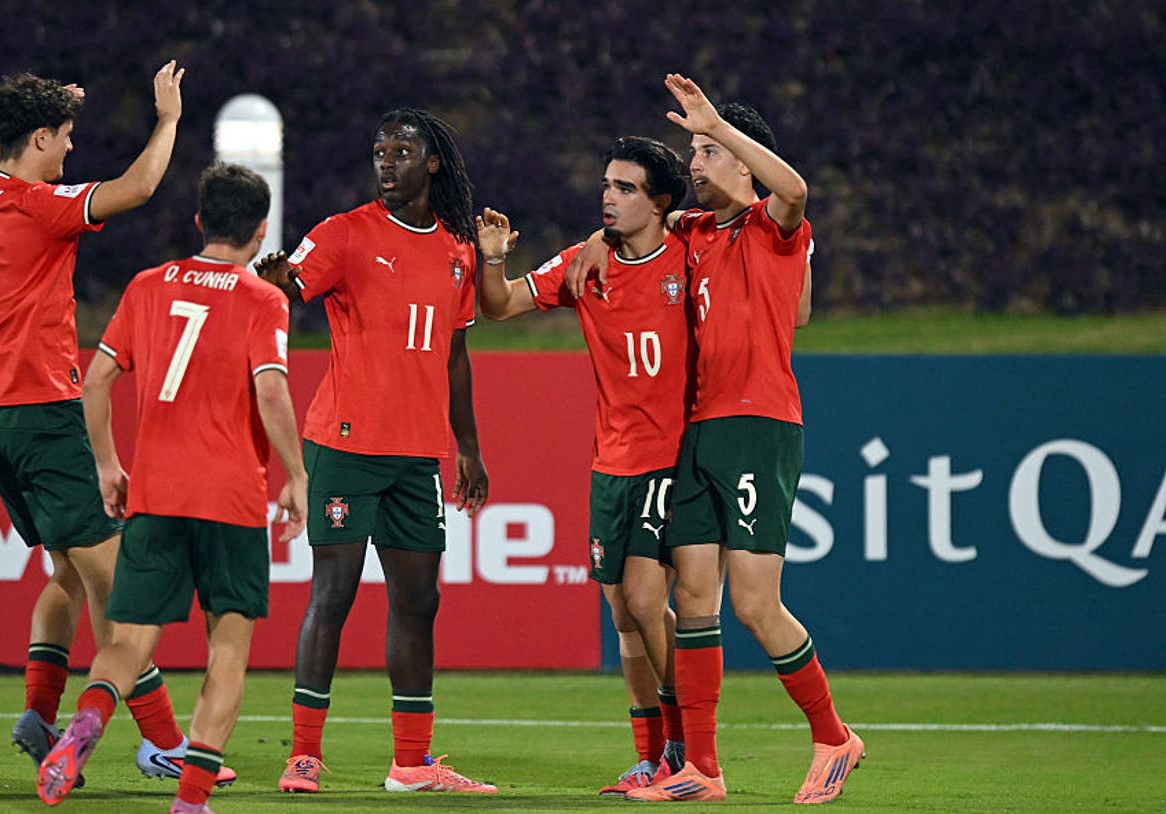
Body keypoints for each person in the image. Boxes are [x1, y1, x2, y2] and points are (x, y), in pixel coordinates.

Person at [0, 62, 223, 787]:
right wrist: (168, 119)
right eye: (64, 135)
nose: (72, 148)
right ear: (39, 139)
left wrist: (40, 111)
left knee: (67, 574)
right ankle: (161, 740)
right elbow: (137, 188)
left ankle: (39, 714)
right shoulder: (42, 207)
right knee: (120, 585)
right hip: (44, 418)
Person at [609, 74, 863, 805]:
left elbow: (797, 190)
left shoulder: (774, 225)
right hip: (695, 431)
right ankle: (703, 768)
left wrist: (719, 125)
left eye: (709, 152)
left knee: (754, 603)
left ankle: (834, 736)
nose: (695, 162)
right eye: (693, 151)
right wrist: (599, 241)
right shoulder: (692, 232)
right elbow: (632, 231)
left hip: (758, 427)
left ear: (745, 162)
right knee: (695, 600)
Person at [35, 162, 308, 813]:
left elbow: (95, 382)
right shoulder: (262, 299)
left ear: (199, 220)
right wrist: (297, 474)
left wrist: (107, 467)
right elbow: (271, 389)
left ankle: (88, 720)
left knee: (128, 641)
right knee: (228, 649)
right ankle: (190, 801)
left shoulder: (147, 286)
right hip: (230, 499)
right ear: (261, 229)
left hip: (155, 496)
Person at [254, 108, 496, 795]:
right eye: (380, 151)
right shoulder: (344, 232)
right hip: (346, 444)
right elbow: (290, 286)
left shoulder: (458, 250)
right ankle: (303, 755)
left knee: (419, 601)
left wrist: (468, 447)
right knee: (333, 592)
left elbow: (455, 354)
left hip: (417, 455)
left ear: (432, 163)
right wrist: (278, 278)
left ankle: (412, 764)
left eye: (402, 151)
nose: (387, 161)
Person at [474, 136, 693, 796]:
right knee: (624, 614)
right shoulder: (584, 263)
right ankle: (649, 756)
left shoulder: (691, 252)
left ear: (660, 203)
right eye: (606, 185)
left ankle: (686, 745)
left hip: (673, 458)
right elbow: (499, 305)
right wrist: (492, 259)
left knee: (648, 600)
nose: (608, 197)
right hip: (611, 462)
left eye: (625, 188)